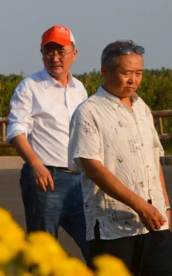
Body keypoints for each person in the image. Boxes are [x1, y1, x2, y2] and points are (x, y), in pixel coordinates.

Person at [69, 41, 171, 274]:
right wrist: (140, 206)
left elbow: (153, 160)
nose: (133, 80)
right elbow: (93, 168)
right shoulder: (89, 111)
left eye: (139, 73)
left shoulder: (142, 108)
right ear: (105, 71)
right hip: (111, 228)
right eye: (126, 73)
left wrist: (165, 207)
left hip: (156, 224)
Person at [6, 25, 89, 261]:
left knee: (96, 246)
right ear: (41, 53)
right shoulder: (29, 86)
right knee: (44, 257)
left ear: (74, 53)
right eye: (48, 52)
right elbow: (16, 130)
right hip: (46, 180)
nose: (55, 58)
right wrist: (35, 164)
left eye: (61, 51)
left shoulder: (79, 89)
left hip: (80, 182)